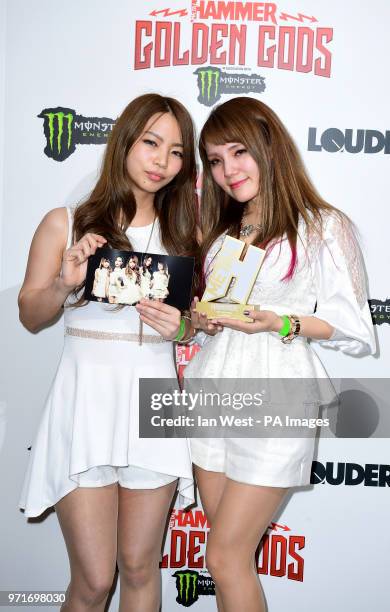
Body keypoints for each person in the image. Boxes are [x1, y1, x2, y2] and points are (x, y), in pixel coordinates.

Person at [185, 96, 376, 612]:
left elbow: (357, 332)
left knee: (226, 558)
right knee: (221, 559)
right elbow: (214, 320)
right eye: (216, 160)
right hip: (212, 388)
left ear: (269, 146)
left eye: (239, 152)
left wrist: (281, 321)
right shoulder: (223, 231)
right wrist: (200, 321)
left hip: (278, 392)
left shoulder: (323, 227)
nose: (227, 170)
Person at [18, 93, 198, 612]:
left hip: (153, 402)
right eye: (151, 142)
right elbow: (31, 314)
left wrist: (181, 327)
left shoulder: (186, 231)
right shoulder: (65, 223)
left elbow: (198, 322)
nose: (162, 161)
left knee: (141, 568)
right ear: (124, 140)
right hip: (85, 400)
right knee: (95, 581)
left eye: (177, 151)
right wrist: (62, 282)